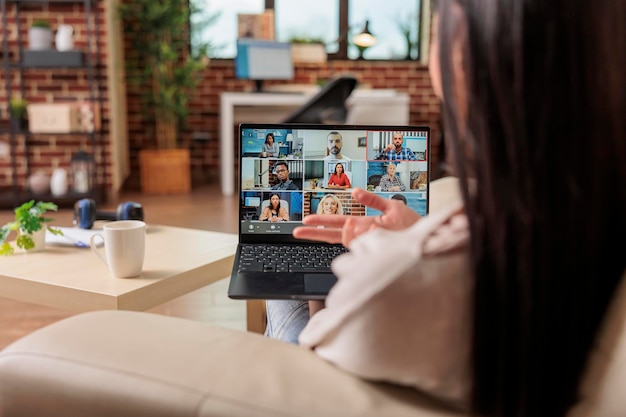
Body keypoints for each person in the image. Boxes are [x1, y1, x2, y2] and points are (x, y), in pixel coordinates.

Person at [267, 0, 626, 415]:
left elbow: (312, 363)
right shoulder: (592, 220)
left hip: (337, 355)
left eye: (438, 30)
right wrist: (417, 231)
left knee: (284, 285)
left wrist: (337, 276)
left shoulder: (393, 283)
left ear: (468, 62)